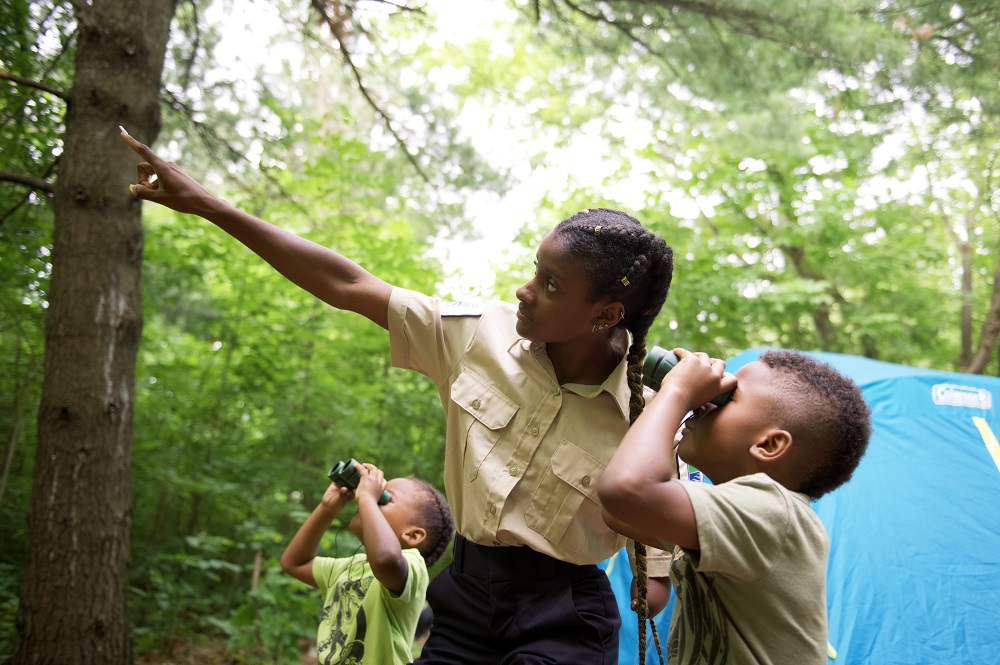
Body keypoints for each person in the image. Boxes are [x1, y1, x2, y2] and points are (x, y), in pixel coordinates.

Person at [120, 126, 675, 664]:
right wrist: (209, 205)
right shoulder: (478, 333)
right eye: (536, 271)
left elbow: (655, 574)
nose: (524, 290)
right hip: (464, 593)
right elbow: (348, 285)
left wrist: (650, 586)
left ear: (605, 314)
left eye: (551, 285)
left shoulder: (647, 412)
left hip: (565, 615)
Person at [598, 348, 872, 665]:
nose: (707, 400)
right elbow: (617, 512)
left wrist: (678, 391)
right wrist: (671, 414)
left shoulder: (773, 513)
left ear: (768, 445)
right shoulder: (739, 518)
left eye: (728, 395)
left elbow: (624, 492)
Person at [281, 462, 454, 665]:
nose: (369, 495)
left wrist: (366, 497)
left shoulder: (412, 564)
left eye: (384, 497)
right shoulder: (348, 567)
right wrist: (326, 509)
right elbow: (294, 563)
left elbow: (386, 560)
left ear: (413, 535)